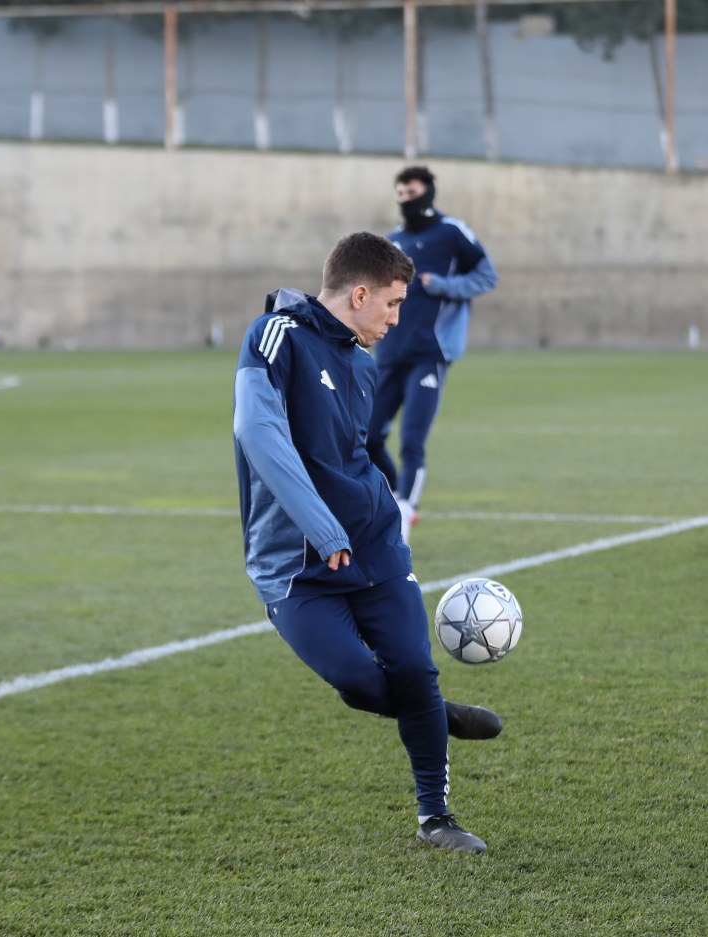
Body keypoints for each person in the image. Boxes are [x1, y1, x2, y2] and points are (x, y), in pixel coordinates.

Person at [233, 231, 501, 854]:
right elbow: (257, 430)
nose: (397, 319)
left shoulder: (361, 361)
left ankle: (436, 817)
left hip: (376, 546)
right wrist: (322, 528)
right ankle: (434, 711)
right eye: (393, 303)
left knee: (413, 668)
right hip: (295, 566)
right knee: (356, 680)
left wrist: (383, 516)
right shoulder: (274, 336)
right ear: (359, 294)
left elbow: (353, 456)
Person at [367, 166, 498, 543]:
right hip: (390, 351)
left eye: (411, 192)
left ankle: (405, 514)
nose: (405, 199)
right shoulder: (393, 241)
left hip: (430, 352)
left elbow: (487, 276)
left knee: (412, 440)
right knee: (367, 436)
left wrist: (443, 285)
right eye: (400, 193)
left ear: (427, 192)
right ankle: (396, 499)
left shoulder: (452, 232)